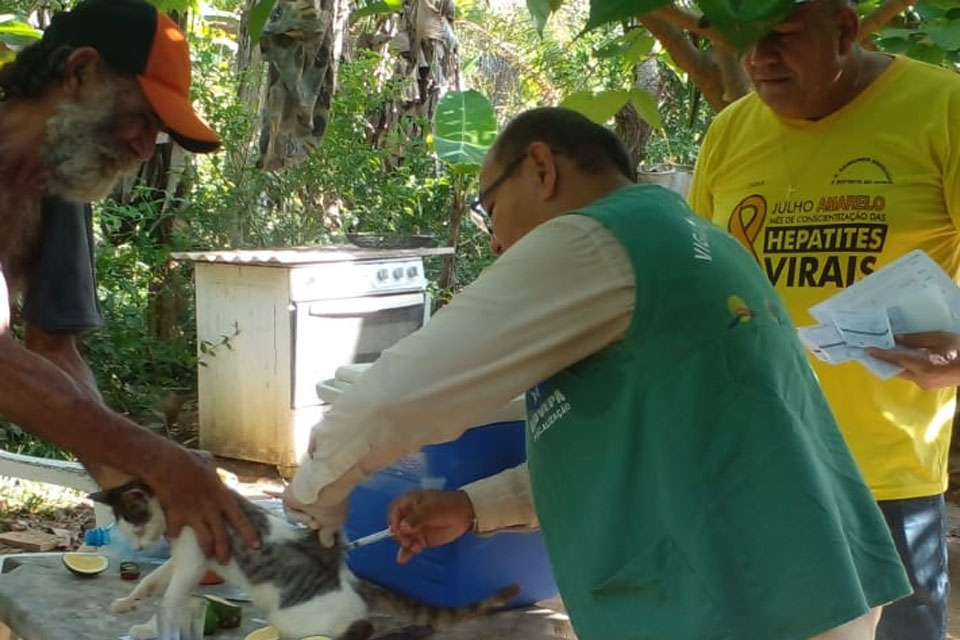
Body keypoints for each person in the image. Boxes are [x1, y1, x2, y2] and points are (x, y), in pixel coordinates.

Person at [284, 106, 912, 640]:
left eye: (489, 207)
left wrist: (310, 509)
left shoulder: (592, 241)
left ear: (541, 167)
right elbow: (651, 443)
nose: (496, 242)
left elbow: (395, 400)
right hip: (810, 585)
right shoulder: (689, 238)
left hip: (744, 598)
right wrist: (473, 506)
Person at [686, 1, 960, 638]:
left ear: (843, 28)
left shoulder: (942, 110)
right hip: (753, 466)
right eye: (744, 41)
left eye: (779, 36)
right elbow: (701, 286)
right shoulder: (729, 134)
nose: (759, 59)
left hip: (884, 480)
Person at [0, 0, 257, 561]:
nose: (144, 148)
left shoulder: (57, 185)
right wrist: (158, 459)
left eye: (157, 131)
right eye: (142, 116)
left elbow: (54, 349)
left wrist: (133, 491)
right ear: (80, 72)